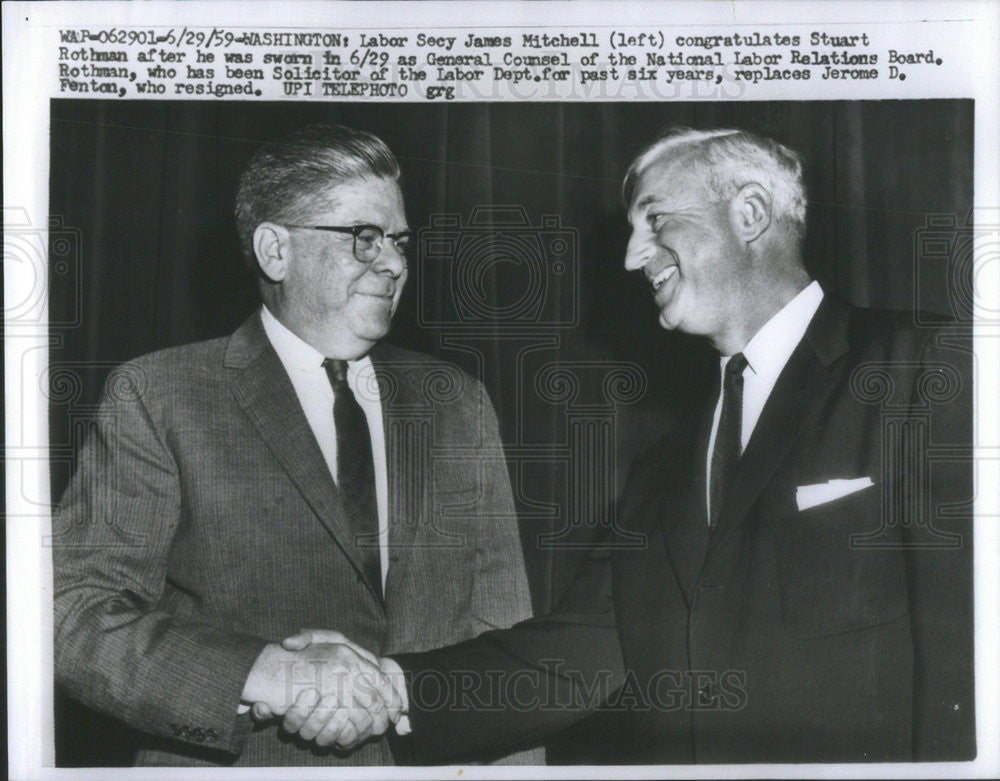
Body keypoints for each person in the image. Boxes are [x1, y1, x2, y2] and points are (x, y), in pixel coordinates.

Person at [269, 127, 975, 764]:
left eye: (657, 219)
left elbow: (971, 650)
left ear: (752, 213)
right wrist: (389, 687)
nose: (634, 255)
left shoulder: (926, 367)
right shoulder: (664, 471)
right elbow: (574, 657)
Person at [52, 122, 538, 767]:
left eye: (398, 240)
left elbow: (504, 642)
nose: (392, 262)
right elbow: (73, 614)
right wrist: (267, 672)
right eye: (363, 238)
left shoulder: (457, 402)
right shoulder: (160, 395)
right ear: (275, 251)